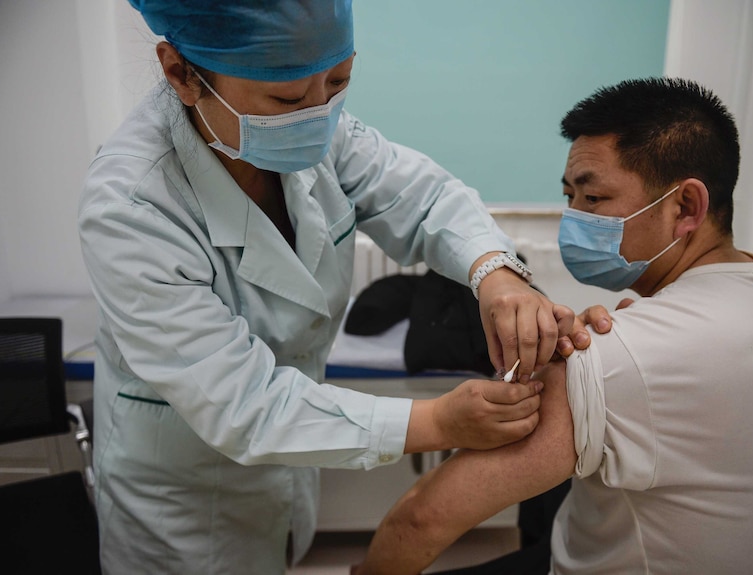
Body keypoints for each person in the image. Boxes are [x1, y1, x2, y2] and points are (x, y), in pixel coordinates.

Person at [77, 1, 600, 573]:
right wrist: (438, 424)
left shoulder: (318, 128)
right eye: (288, 98)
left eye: (340, 81)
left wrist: (496, 275)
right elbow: (243, 404)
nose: (320, 113)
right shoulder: (132, 205)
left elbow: (422, 198)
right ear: (181, 73)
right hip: (179, 503)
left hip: (280, 484)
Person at [354, 77, 753, 575]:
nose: (573, 219)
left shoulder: (618, 357)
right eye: (568, 198)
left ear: (685, 207)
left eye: (593, 199)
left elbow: (421, 520)